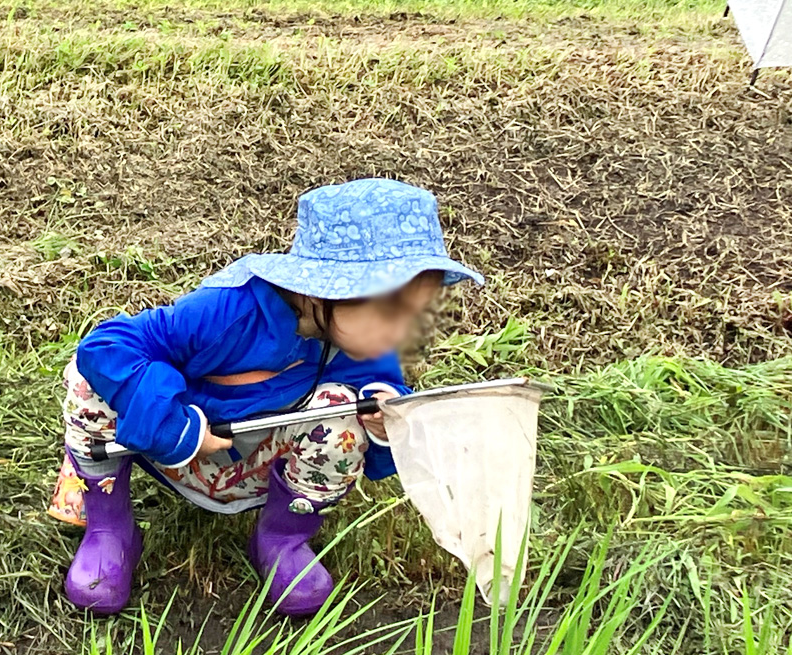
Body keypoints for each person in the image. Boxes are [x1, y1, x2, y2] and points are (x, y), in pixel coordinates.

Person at [50, 178, 483, 616]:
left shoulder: (364, 344)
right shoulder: (226, 310)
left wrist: (384, 413)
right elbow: (106, 346)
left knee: (349, 411)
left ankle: (282, 537)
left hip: (261, 462)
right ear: (321, 290)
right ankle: (110, 527)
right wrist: (172, 425)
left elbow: (383, 394)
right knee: (91, 381)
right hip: (179, 450)